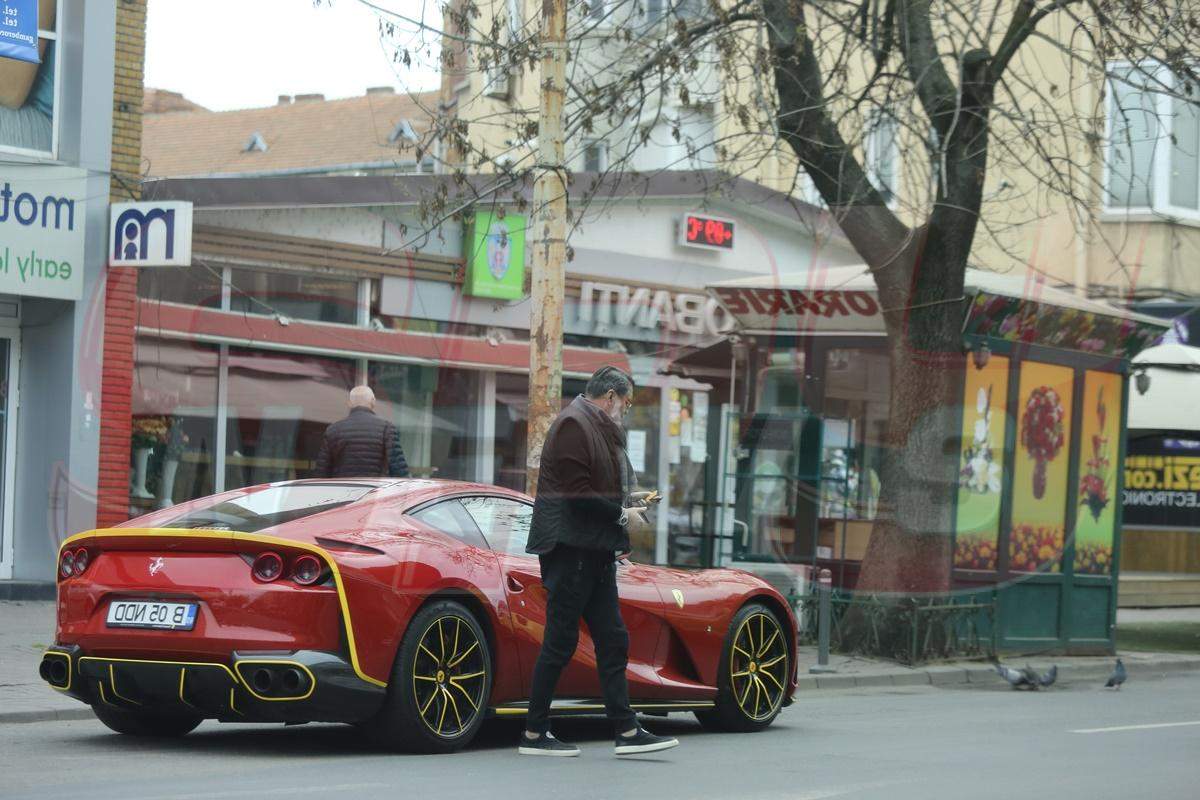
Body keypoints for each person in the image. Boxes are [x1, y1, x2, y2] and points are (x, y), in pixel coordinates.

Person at [518, 366, 678, 758]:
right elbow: (577, 495)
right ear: (609, 397)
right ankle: (535, 734)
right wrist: (622, 515)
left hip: (594, 550)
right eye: (624, 403)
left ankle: (625, 730)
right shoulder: (573, 423)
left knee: (613, 638)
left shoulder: (595, 427)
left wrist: (628, 502)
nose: (624, 411)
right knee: (560, 641)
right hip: (571, 549)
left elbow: (595, 489)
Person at [314, 386, 409, 479]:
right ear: (373, 401)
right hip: (375, 491)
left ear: (349, 403)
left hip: (342, 490)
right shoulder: (387, 428)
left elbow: (322, 471)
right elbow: (399, 468)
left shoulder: (333, 429)